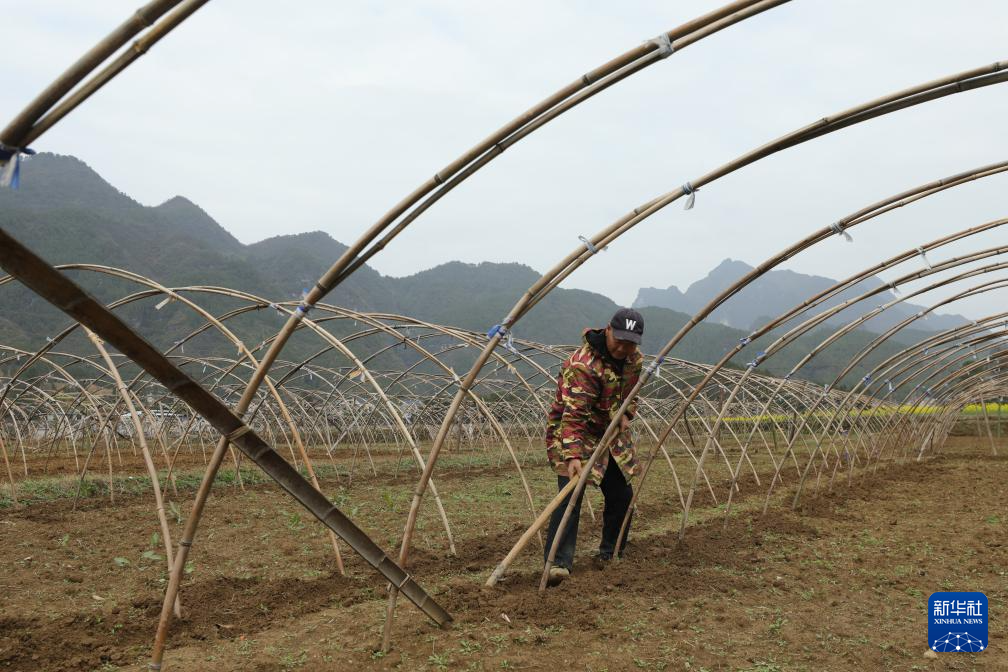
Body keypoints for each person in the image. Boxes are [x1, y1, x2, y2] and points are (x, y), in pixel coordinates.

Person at [543, 307, 644, 587]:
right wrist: (573, 455)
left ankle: (611, 552)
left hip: (608, 434)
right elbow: (574, 415)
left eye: (630, 343)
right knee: (570, 495)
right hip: (573, 433)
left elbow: (630, 395)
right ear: (608, 330)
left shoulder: (634, 360)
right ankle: (558, 563)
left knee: (621, 494)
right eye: (619, 341)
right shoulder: (583, 365)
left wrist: (626, 413)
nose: (623, 348)